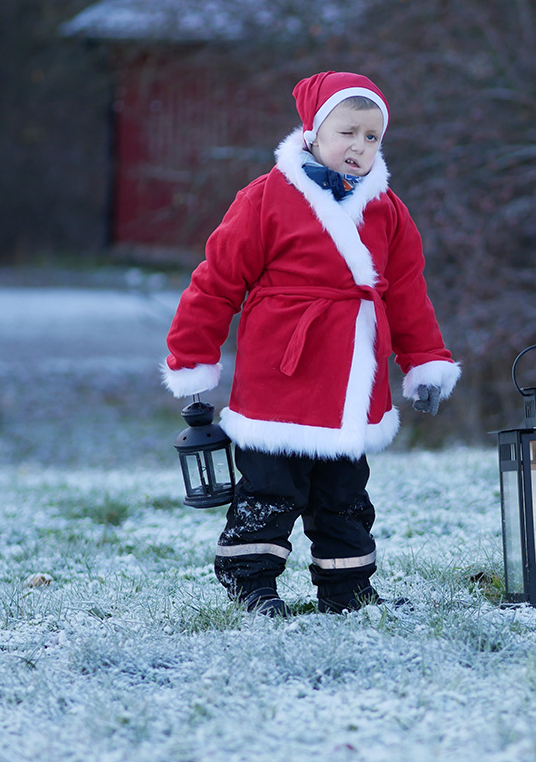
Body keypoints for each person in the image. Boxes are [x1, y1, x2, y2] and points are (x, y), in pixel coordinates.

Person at [161, 71, 460, 616]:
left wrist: (425, 362)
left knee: (344, 493)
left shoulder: (388, 209)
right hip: (281, 373)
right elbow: (216, 282)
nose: (359, 146)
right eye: (347, 132)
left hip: (352, 377)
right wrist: (192, 357)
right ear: (313, 131)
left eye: (372, 137)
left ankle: (348, 589)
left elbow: (408, 294)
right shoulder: (264, 198)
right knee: (270, 486)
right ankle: (251, 583)